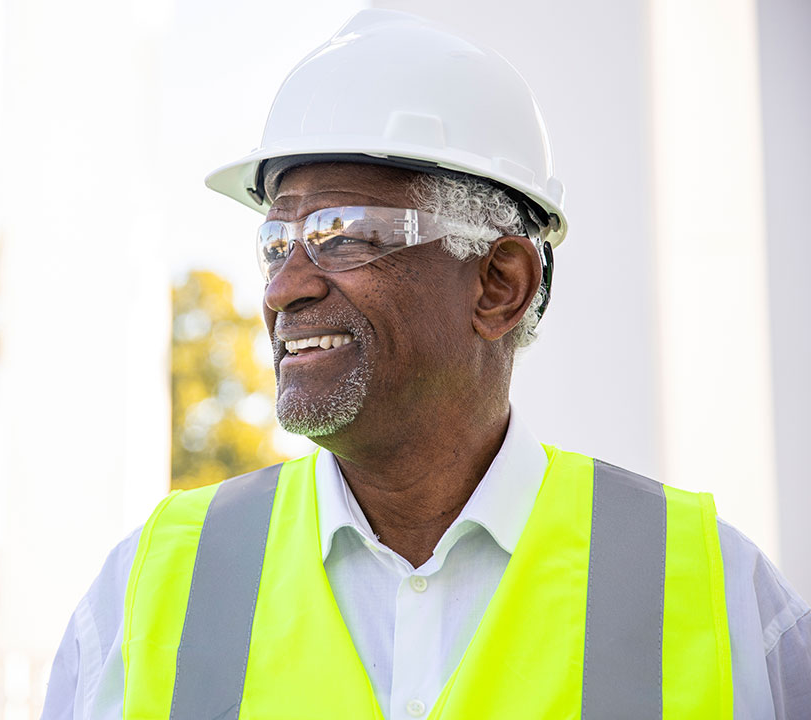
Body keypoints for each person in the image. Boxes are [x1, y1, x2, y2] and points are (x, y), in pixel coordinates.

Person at [41, 9, 811, 719]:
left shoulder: (720, 600)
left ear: (499, 284)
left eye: (341, 232)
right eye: (276, 242)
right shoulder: (145, 596)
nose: (284, 288)